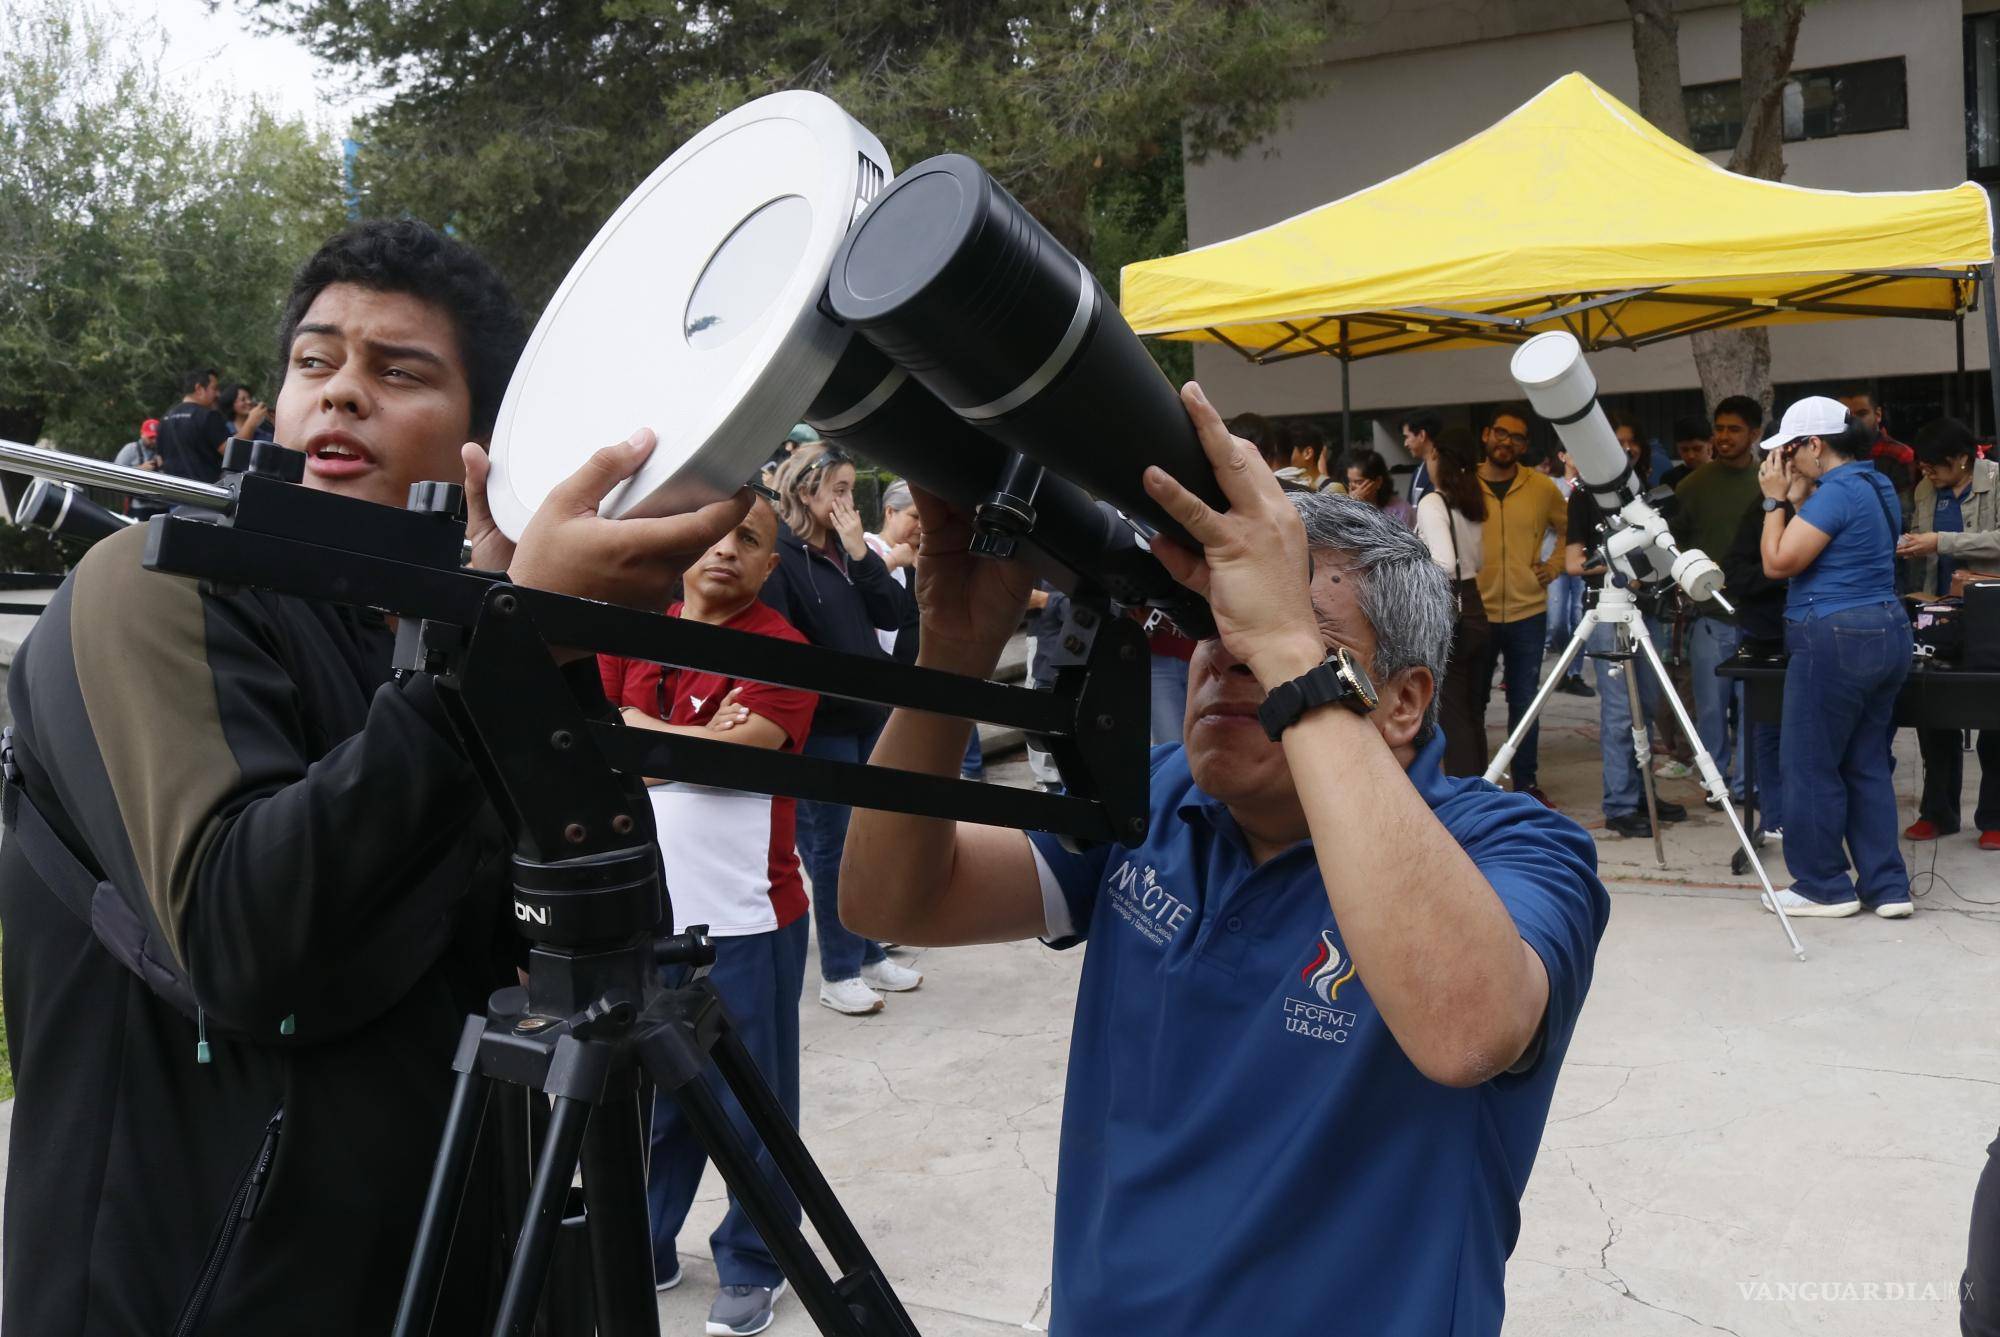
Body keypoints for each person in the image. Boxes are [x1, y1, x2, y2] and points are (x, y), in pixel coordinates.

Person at [0, 217, 756, 1335]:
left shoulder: (432, 633)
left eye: (396, 372)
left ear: (487, 441)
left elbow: (602, 945)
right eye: (315, 362)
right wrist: (501, 657)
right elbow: (245, 936)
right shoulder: (149, 586)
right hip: (183, 1293)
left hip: (446, 1269)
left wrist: (534, 651)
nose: (339, 394)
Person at [840, 383, 1608, 1335]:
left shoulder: (1516, 849)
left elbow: (1467, 1030)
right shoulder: (1163, 794)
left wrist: (1286, 640)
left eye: (1280, 641)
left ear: (1405, 701)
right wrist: (949, 657)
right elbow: (890, 900)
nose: (1227, 658)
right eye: (1214, 629)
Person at [597, 499, 817, 1337]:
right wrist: (679, 740)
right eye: (714, 537)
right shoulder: (634, 632)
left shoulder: (782, 649)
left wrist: (650, 741)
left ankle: (757, 1261)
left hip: (746, 915)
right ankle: (646, 1242)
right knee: (656, 1099)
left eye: (749, 542)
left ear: (769, 566)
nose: (726, 551)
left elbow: (735, 751)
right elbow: (604, 736)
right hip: (649, 917)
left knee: (747, 1103)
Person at [761, 443, 923, 1013]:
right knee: (831, 849)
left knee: (865, 840)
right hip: (818, 725)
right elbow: (779, 643)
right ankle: (838, 970)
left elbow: (892, 616)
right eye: (841, 489)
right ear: (806, 490)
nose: (850, 501)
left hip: (866, 716)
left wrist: (862, 554)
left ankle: (870, 952)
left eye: (853, 489)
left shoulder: (846, 550)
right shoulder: (780, 553)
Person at [1756, 396, 1913, 918]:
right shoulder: (1876, 483)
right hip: (1887, 628)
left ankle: (1823, 885)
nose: (1783, 462)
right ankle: (1888, 888)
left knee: (1809, 764)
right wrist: (1800, 496)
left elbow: (1779, 562)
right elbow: (1832, 544)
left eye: (1788, 451)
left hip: (1834, 635)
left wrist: (1775, 502)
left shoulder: (1836, 493)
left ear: (1815, 445)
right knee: (1866, 762)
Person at [1563, 425, 1688, 839]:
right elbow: (1573, 563)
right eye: (1615, 442)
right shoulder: (1584, 497)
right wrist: (1624, 567)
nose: (1625, 449)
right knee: (1619, 715)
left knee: (1646, 707)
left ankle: (1644, 795)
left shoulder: (1641, 495)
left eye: (1630, 442)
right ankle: (1619, 803)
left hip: (1643, 611)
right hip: (1609, 611)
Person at [1895, 418, 2000, 849]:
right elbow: (1925, 549)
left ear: (1962, 459)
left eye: (1935, 465)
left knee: (1992, 715)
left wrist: (1942, 541)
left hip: (1990, 610)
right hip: (1938, 607)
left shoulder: (1996, 479)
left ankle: (1995, 816)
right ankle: (1938, 812)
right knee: (1933, 712)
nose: (1928, 473)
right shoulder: (1926, 490)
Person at [1671, 395, 1765, 808]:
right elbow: (1671, 546)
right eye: (1720, 428)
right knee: (1711, 709)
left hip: (1759, 615)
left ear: (1755, 434)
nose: (1724, 437)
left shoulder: (1768, 482)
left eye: (1735, 429)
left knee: (1753, 711)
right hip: (1709, 616)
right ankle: (1716, 784)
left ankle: (1747, 785)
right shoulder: (1692, 486)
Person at [1473, 402, 1567, 805]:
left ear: (1525, 445)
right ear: (1487, 435)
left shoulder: (1542, 487)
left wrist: (1554, 566)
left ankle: (1525, 783)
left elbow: (1569, 529)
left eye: (1516, 437)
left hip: (1529, 610)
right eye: (1501, 433)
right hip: (1476, 610)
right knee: (1473, 700)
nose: (1506, 442)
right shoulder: (1464, 482)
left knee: (1525, 702)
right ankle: (1474, 780)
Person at [1414, 425, 1489, 777]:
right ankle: (1481, 783)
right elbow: (1480, 561)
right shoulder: (1472, 502)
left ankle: (1465, 794)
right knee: (1473, 712)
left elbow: (1443, 563)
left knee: (1453, 714)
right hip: (1477, 607)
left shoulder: (1433, 501)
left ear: (1439, 459)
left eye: (1430, 456)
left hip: (1450, 610)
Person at [1721, 493, 1788, 843]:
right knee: (1767, 728)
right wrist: (1782, 570)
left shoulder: (1830, 500)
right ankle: (1774, 816)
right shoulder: (1762, 507)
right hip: (1767, 635)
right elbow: (1734, 573)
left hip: (1816, 633)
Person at [153, 366, 234, 483]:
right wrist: (251, 423)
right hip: (205, 493)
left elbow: (160, 459)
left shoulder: (165, 419)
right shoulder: (208, 416)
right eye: (214, 388)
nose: (218, 394)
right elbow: (231, 453)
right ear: (199, 388)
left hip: (173, 493)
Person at [1341, 446, 1413, 526]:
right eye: (1350, 481)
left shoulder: (1402, 511)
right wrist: (1352, 507)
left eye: (1358, 482)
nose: (1352, 487)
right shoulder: (1350, 507)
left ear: (1378, 481)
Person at [1659, 414, 1711, 492]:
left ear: (1711, 444)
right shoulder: (1670, 479)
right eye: (1684, 450)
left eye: (1697, 449)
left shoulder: (1723, 475)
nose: (1691, 456)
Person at [1403, 409, 1442, 511]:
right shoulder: (1418, 472)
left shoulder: (1450, 468)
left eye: (1407, 437)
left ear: (1422, 435)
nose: (1405, 444)